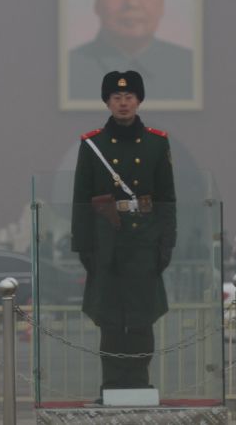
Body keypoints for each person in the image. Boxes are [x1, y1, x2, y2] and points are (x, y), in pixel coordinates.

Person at [70, 70, 176, 397]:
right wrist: (86, 249)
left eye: (129, 96)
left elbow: (166, 200)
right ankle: (113, 385)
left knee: (142, 320)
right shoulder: (93, 144)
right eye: (116, 97)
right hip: (108, 246)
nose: (123, 103)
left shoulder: (158, 142)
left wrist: (165, 244)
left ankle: (140, 384)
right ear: (107, 102)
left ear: (139, 100)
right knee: (112, 321)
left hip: (144, 243)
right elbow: (80, 199)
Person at [68, 0, 194, 101]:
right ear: (97, 1)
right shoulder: (68, 69)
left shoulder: (190, 67)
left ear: (162, 2)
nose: (132, 3)